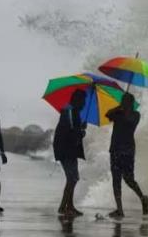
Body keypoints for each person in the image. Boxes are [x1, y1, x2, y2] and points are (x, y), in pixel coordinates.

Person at [106, 92, 148, 218]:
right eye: (122, 100)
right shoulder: (118, 113)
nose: (124, 103)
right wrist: (118, 107)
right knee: (116, 179)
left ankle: (142, 198)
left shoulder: (136, 115)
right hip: (114, 149)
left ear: (131, 103)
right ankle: (119, 209)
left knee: (128, 179)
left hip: (127, 150)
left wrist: (123, 111)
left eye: (126, 101)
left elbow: (129, 120)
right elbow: (107, 114)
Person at [53, 88, 87, 216]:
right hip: (65, 149)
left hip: (69, 149)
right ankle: (63, 207)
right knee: (72, 178)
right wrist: (81, 131)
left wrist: (80, 129)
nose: (84, 103)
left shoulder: (73, 111)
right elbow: (72, 130)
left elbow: (74, 130)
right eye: (83, 100)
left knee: (73, 178)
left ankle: (70, 206)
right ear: (77, 100)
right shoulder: (70, 110)